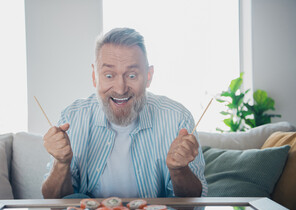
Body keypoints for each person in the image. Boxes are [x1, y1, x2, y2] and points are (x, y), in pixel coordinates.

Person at [42, 28, 207, 199]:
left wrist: (179, 170)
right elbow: (52, 199)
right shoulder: (73, 117)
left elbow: (195, 199)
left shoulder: (178, 118)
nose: (120, 89)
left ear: (148, 76)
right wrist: (61, 163)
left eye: (132, 75)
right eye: (108, 75)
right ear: (94, 76)